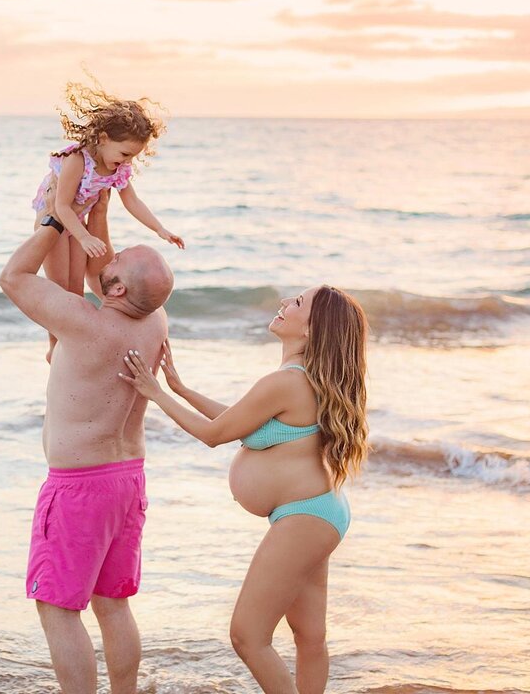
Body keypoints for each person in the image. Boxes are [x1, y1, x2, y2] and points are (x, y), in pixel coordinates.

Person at [119, 286, 369, 694]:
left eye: (297, 304)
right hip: (320, 512)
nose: (285, 304)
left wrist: (155, 392)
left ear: (311, 330)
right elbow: (240, 422)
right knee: (309, 635)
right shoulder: (304, 380)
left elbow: (215, 434)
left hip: (305, 517)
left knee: (247, 636)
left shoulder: (287, 381)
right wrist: (181, 389)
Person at [0, 201, 175, 694]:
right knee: (112, 602)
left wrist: (56, 220)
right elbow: (110, 270)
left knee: (57, 608)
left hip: (79, 488)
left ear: (116, 289)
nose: (107, 258)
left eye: (116, 262)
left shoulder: (83, 320)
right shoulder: (153, 320)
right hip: (127, 478)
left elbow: (13, 276)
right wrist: (96, 204)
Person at [32, 80, 184, 361]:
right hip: (54, 222)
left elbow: (133, 202)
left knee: (75, 292)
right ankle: (54, 347)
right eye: (124, 153)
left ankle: (69, 347)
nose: (126, 161)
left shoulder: (118, 169)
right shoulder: (77, 160)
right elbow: (62, 207)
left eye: (133, 157)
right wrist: (84, 236)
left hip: (77, 227)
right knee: (58, 291)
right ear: (102, 139)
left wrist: (160, 229)